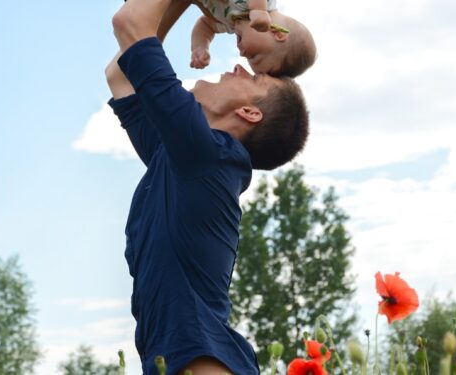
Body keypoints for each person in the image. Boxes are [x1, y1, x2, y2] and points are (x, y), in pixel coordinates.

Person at [106, 0, 309, 373]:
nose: (236, 66)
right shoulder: (182, 156)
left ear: (250, 113)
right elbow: (122, 73)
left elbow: (131, 21)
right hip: (188, 356)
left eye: (252, 78)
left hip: (199, 356)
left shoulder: (206, 156)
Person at [186, 0, 317, 77]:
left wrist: (200, 46)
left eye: (249, 59)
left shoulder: (231, 23)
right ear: (278, 33)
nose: (242, 53)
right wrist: (258, 9)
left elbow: (205, 24)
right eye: (254, 56)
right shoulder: (264, 6)